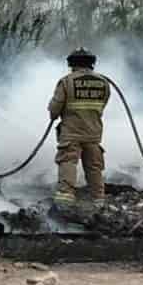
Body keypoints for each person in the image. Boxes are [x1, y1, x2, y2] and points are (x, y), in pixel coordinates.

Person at [48, 47, 110, 205]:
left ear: (72, 63)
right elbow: (102, 104)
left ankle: (65, 200)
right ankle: (98, 200)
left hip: (71, 133)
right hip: (93, 133)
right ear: (92, 63)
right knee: (94, 166)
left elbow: (55, 108)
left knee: (68, 161)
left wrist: (53, 113)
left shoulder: (66, 81)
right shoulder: (104, 82)